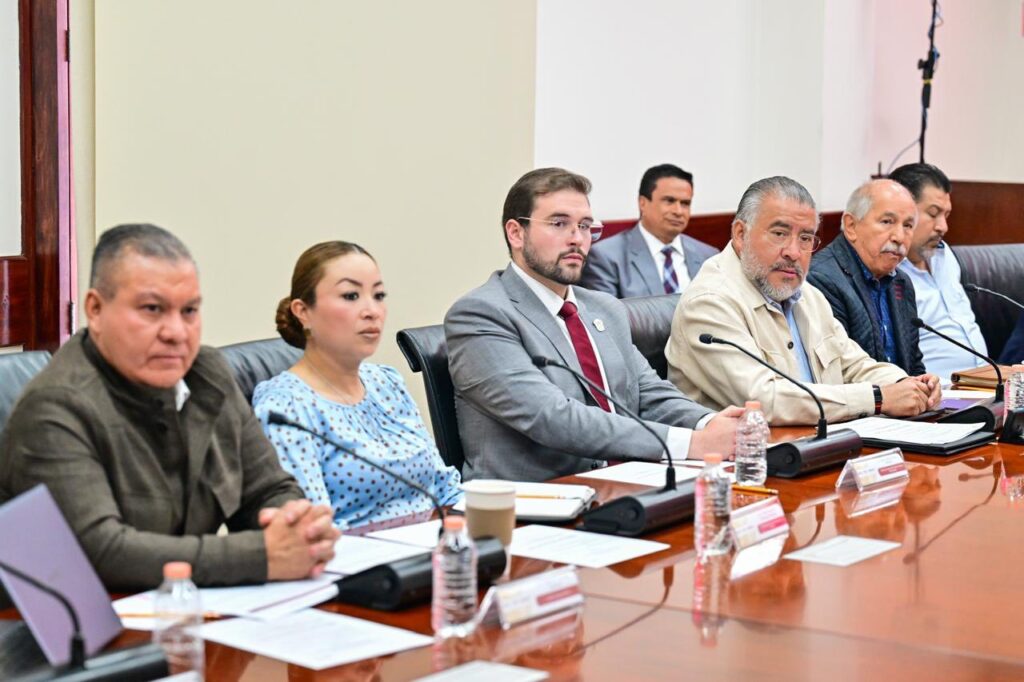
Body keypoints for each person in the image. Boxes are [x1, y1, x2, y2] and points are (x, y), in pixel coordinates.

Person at [0, 224, 339, 591]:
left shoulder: (207, 375)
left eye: (189, 310)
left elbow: (268, 489)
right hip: (86, 619)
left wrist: (295, 526)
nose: (176, 332)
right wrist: (262, 556)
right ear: (95, 310)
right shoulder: (55, 407)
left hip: (187, 608)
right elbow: (101, 551)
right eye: (152, 309)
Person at [445, 167, 741, 482]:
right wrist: (692, 443)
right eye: (559, 224)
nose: (577, 239)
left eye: (585, 226)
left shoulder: (604, 308)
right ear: (516, 233)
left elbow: (649, 393)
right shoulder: (480, 314)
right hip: (532, 499)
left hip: (623, 483)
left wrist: (713, 424)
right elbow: (552, 418)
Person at [665, 176, 941, 425]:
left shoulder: (806, 295)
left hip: (820, 445)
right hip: (747, 457)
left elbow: (853, 364)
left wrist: (906, 384)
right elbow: (764, 400)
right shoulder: (709, 302)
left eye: (806, 238)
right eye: (779, 234)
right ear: (740, 234)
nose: (794, 252)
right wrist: (878, 398)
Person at [253, 241, 462, 528]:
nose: (372, 311)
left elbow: (445, 486)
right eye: (351, 295)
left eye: (378, 295)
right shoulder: (284, 408)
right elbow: (314, 531)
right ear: (303, 311)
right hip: (357, 554)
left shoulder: (386, 382)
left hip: (436, 542)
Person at [806, 180, 926, 376]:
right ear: (851, 226)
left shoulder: (901, 282)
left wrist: (926, 384)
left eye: (908, 225)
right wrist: (900, 386)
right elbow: (841, 372)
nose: (899, 237)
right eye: (887, 222)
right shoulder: (822, 279)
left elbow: (914, 364)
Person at [889, 163, 989, 381]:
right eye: (933, 214)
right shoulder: (888, 272)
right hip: (939, 391)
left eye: (946, 215)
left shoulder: (945, 255)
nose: (943, 226)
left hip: (987, 380)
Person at [579, 164, 718, 297]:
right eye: (669, 201)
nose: (678, 211)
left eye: (685, 203)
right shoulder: (606, 257)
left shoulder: (709, 256)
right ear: (643, 203)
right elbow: (606, 312)